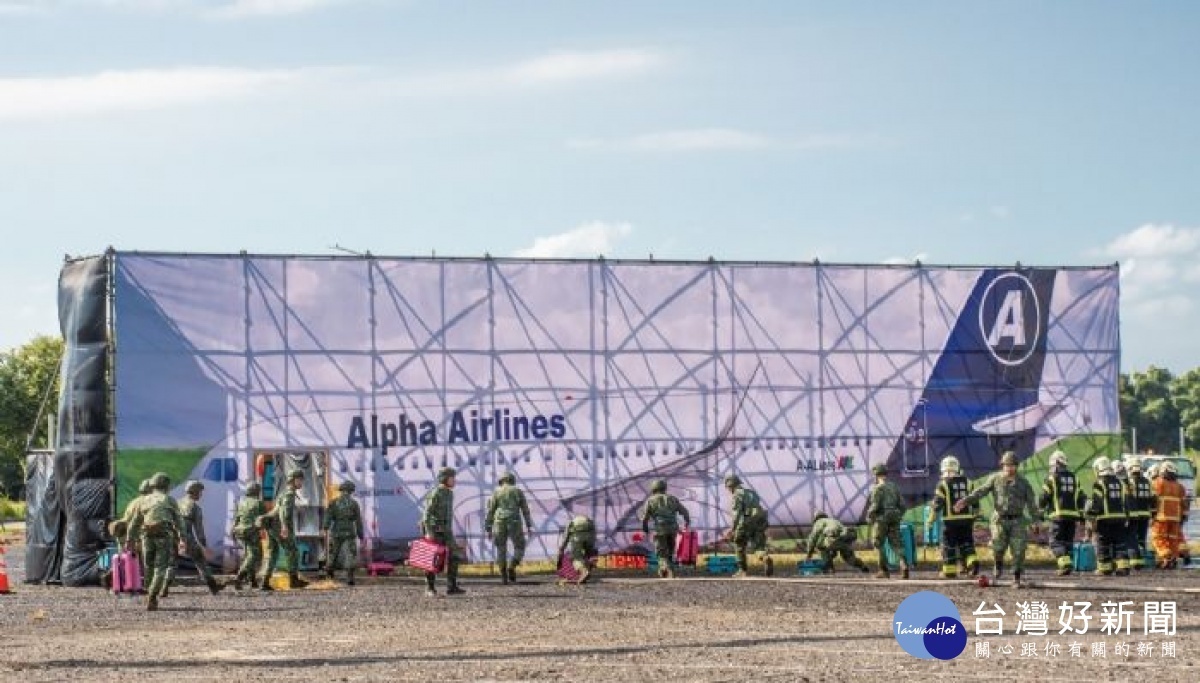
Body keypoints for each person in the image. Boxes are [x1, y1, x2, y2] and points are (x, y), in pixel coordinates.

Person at [955, 451, 1039, 587]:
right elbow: (981, 491)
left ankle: (1016, 577)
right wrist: (965, 501)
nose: (1009, 468)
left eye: (1012, 465)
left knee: (1019, 549)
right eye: (1007, 465)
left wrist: (1035, 521)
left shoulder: (1023, 483)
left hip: (1017, 520)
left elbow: (1031, 503)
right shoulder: (995, 479)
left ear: (1016, 466)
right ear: (1002, 466)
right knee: (998, 547)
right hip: (999, 519)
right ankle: (998, 565)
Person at [127, 472, 182, 611]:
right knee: (160, 568)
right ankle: (152, 595)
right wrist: (183, 538)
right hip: (164, 535)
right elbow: (180, 521)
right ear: (166, 486)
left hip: (146, 535)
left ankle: (148, 591)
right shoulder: (169, 500)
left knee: (148, 566)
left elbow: (134, 522)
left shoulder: (143, 500)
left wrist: (130, 539)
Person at [929, 454, 979, 578]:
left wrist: (931, 518)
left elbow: (937, 504)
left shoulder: (943, 484)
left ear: (943, 469)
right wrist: (976, 514)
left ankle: (949, 571)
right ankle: (972, 562)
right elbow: (975, 500)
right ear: (957, 468)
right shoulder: (969, 482)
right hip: (967, 520)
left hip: (950, 521)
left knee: (949, 545)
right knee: (967, 542)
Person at [259, 469, 309, 590]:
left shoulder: (283, 493)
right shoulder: (290, 494)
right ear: (294, 480)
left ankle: (264, 582)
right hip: (279, 526)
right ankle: (294, 581)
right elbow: (284, 511)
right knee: (293, 551)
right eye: (300, 479)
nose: (301, 482)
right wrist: (284, 526)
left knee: (273, 553)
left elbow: (276, 509)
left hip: (271, 526)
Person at [1039, 450, 1085, 576]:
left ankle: (1064, 565)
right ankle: (1067, 564)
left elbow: (1044, 496)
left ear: (1055, 464)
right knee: (1068, 541)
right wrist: (1081, 515)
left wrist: (1040, 511)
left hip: (1058, 516)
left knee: (1056, 541)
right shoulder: (1075, 478)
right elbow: (1081, 498)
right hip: (1072, 517)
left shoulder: (1052, 478)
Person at [1083, 456, 1130, 576]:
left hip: (1104, 519)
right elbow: (1126, 502)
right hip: (1120, 518)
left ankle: (1105, 568)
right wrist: (1127, 517)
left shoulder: (1099, 484)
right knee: (1120, 543)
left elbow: (1097, 502)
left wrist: (1091, 515)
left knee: (1102, 543)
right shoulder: (1120, 483)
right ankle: (1123, 567)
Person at [422, 466, 465, 597]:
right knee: (432, 559)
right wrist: (429, 532)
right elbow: (427, 513)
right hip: (435, 530)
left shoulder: (449, 493)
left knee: (455, 555)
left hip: (447, 531)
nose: (454, 480)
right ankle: (430, 588)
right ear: (445, 479)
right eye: (452, 478)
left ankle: (451, 586)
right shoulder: (436, 493)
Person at [485, 471, 533, 585]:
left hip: (499, 522)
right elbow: (525, 509)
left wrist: (488, 527)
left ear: (501, 481)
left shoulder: (496, 492)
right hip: (514, 521)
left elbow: (491, 510)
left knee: (501, 548)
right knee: (520, 546)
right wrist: (529, 525)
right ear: (512, 480)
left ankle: (503, 577)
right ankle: (512, 566)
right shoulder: (517, 491)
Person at [177, 480, 224, 594]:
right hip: (187, 538)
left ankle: (162, 589)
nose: (201, 495)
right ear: (195, 492)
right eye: (200, 492)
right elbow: (199, 531)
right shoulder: (195, 508)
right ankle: (213, 587)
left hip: (173, 537)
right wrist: (204, 546)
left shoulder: (177, 503)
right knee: (201, 561)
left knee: (169, 564)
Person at [639, 479, 692, 579]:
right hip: (673, 529)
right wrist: (687, 522)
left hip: (660, 529)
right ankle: (665, 571)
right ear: (664, 487)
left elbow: (645, 517)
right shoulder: (672, 499)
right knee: (670, 551)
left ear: (654, 488)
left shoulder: (651, 500)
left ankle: (667, 569)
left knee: (661, 552)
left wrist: (645, 528)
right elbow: (685, 512)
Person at [723, 474, 772, 578]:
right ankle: (764, 557)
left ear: (730, 485)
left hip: (745, 522)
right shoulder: (751, 493)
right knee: (759, 546)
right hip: (759, 522)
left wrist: (732, 529)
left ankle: (742, 571)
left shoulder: (737, 495)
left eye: (728, 487)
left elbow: (737, 515)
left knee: (739, 544)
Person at [867, 464, 909, 579]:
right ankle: (903, 564)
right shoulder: (894, 486)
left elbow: (875, 506)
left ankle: (883, 571)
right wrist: (898, 515)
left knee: (878, 543)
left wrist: (869, 516)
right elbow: (903, 505)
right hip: (895, 516)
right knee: (896, 543)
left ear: (876, 475)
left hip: (882, 518)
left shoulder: (877, 488)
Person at [324, 480, 364, 585]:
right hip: (349, 531)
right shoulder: (354, 504)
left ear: (341, 490)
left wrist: (325, 528)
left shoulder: (333, 502)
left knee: (333, 553)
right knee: (351, 554)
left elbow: (328, 517)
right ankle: (350, 577)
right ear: (351, 491)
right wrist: (361, 535)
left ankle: (329, 574)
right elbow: (358, 521)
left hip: (336, 530)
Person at [1150, 461, 1189, 569]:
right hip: (1175, 519)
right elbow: (1185, 503)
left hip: (1161, 518)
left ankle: (1166, 558)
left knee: (1158, 538)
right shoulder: (1180, 487)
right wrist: (1184, 516)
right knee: (1173, 540)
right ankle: (1173, 559)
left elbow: (1152, 500)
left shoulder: (1158, 483)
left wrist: (1152, 515)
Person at [804, 511, 868, 573]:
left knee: (820, 547)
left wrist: (809, 554)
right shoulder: (834, 521)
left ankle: (829, 567)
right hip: (845, 540)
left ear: (816, 518)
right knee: (850, 559)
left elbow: (812, 538)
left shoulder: (819, 522)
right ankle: (862, 566)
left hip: (832, 540)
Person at [230, 481, 267, 590]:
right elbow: (263, 519)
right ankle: (240, 577)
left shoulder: (241, 502)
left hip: (239, 532)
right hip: (251, 532)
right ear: (256, 491)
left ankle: (253, 581)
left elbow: (236, 518)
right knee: (254, 555)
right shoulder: (258, 503)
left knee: (249, 555)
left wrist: (232, 531)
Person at [1123, 456, 1156, 570]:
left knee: (1131, 537)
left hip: (1134, 515)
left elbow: (1127, 499)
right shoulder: (1147, 482)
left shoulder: (1130, 482)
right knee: (1142, 538)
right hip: (1145, 515)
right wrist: (1153, 514)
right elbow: (1153, 498)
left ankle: (1133, 560)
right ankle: (1141, 560)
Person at [556, 514, 598, 584]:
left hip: (577, 537)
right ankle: (586, 572)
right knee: (589, 554)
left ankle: (584, 572)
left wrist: (562, 548)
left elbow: (565, 538)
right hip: (591, 535)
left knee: (576, 557)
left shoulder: (571, 522)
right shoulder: (589, 521)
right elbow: (594, 532)